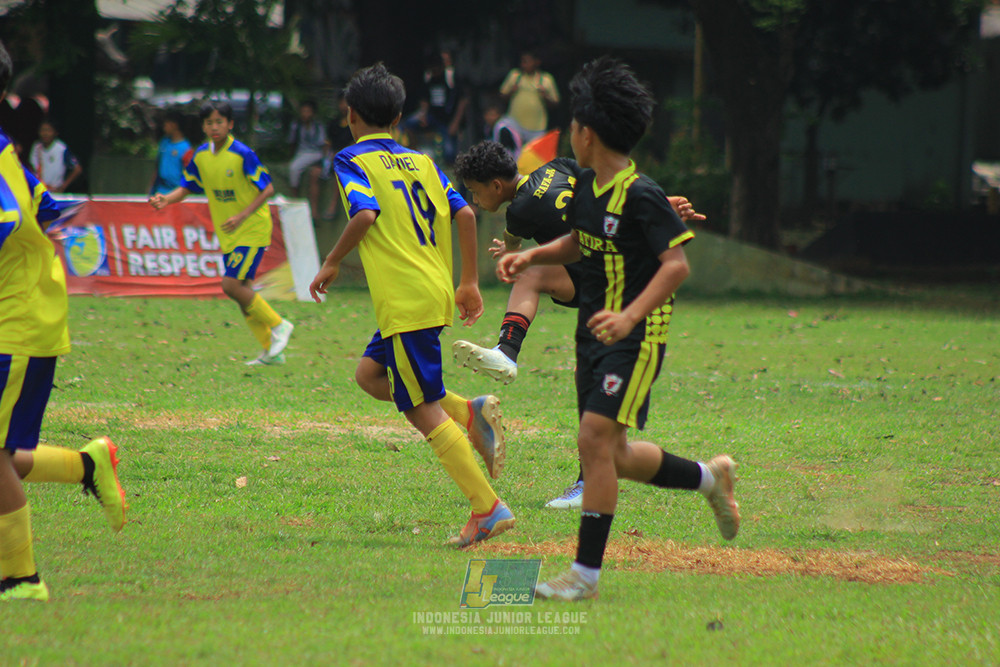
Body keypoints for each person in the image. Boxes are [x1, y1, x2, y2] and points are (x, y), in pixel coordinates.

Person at [498, 57, 740, 601]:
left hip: (637, 332)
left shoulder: (641, 194)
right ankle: (710, 477)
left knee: (593, 442)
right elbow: (580, 242)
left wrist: (630, 316)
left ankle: (584, 575)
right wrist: (532, 257)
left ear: (586, 134)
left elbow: (676, 266)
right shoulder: (584, 186)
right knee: (615, 455)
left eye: (573, 127)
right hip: (595, 329)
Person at [309, 63, 513, 548]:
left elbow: (365, 212)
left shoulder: (351, 160)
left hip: (405, 301)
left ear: (350, 114)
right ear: (398, 115)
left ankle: (487, 508)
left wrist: (332, 261)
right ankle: (472, 412)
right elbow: (464, 210)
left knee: (419, 409)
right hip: (431, 292)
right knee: (369, 375)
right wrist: (467, 282)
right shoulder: (421, 160)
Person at [454, 141, 705, 510]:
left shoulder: (519, 210)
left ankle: (597, 487)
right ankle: (508, 354)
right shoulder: (559, 166)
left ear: (495, 186)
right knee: (539, 285)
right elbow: (610, 189)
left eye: (475, 193)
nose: (474, 202)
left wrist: (510, 252)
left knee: (602, 415)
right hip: (596, 273)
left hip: (618, 283)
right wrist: (661, 200)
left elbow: (513, 239)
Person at [0, 41, 126, 602]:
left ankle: (22, 580)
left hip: (16, 327)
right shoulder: (8, 154)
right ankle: (85, 465)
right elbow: (47, 207)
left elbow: (7, 220)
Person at [149, 100, 294, 366]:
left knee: (231, 285)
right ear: (203, 126)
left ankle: (279, 325)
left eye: (219, 122)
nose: (214, 127)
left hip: (252, 228)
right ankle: (271, 352)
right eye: (209, 122)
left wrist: (241, 215)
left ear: (230, 124)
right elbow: (187, 186)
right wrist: (166, 199)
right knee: (243, 292)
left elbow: (268, 189)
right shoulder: (201, 156)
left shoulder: (242, 153)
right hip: (228, 233)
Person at [400, 50, 470, 164]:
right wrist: (423, 114)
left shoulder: (451, 77)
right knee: (405, 125)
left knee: (449, 153)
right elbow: (424, 99)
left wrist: (456, 123)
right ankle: (414, 152)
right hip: (432, 116)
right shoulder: (428, 77)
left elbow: (463, 100)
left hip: (447, 120)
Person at [499, 50, 560, 144]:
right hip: (515, 125)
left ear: (537, 62)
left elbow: (556, 103)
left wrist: (545, 96)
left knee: (535, 157)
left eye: (527, 61)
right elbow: (502, 96)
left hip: (537, 127)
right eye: (522, 61)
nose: (524, 65)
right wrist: (512, 91)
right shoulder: (515, 76)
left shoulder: (546, 79)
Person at [287, 100, 327, 220]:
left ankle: (314, 211)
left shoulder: (318, 126)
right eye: (303, 111)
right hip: (302, 153)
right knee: (293, 168)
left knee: (313, 174)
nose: (305, 114)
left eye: (308, 111)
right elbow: (292, 143)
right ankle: (294, 198)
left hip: (316, 154)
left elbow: (323, 144)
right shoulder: (296, 125)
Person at [320, 95, 354, 221]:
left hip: (347, 157)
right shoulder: (333, 123)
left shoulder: (355, 123)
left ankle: (332, 207)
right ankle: (314, 212)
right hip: (331, 156)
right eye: (341, 103)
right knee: (314, 173)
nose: (344, 106)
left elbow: (355, 143)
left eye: (346, 103)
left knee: (338, 173)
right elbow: (327, 142)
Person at [28, 117, 82, 193]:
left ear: (55, 133)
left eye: (49, 130)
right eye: (43, 130)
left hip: (55, 191)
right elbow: (32, 167)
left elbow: (77, 169)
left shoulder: (61, 149)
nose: (45, 134)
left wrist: (63, 186)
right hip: (39, 191)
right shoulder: (36, 147)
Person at [149, 109, 193, 196]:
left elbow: (189, 174)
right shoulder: (164, 143)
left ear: (174, 125)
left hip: (175, 192)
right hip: (159, 191)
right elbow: (157, 167)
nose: (164, 127)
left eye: (166, 124)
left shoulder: (186, 148)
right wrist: (151, 188)